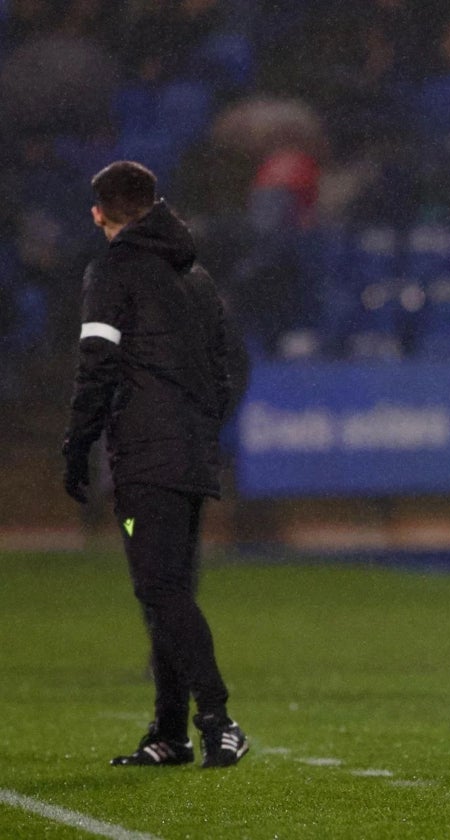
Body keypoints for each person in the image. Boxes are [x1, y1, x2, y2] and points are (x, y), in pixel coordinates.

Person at [61, 160, 249, 769]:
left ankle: (217, 720)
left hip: (146, 457)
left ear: (99, 214)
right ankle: (170, 733)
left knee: (160, 587)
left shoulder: (112, 271)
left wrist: (76, 446)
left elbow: (97, 364)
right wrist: (198, 429)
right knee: (166, 589)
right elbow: (226, 368)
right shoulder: (195, 275)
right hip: (192, 454)